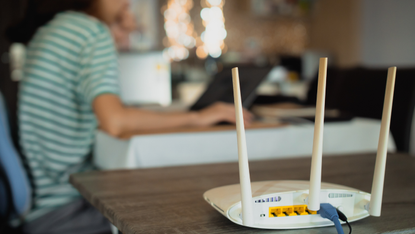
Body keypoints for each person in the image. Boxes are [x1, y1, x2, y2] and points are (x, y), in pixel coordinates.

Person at [10, 0, 252, 233]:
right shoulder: (90, 31)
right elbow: (115, 121)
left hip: (44, 205)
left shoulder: (51, 31)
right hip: (68, 209)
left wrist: (113, 33)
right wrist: (198, 118)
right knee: (195, 210)